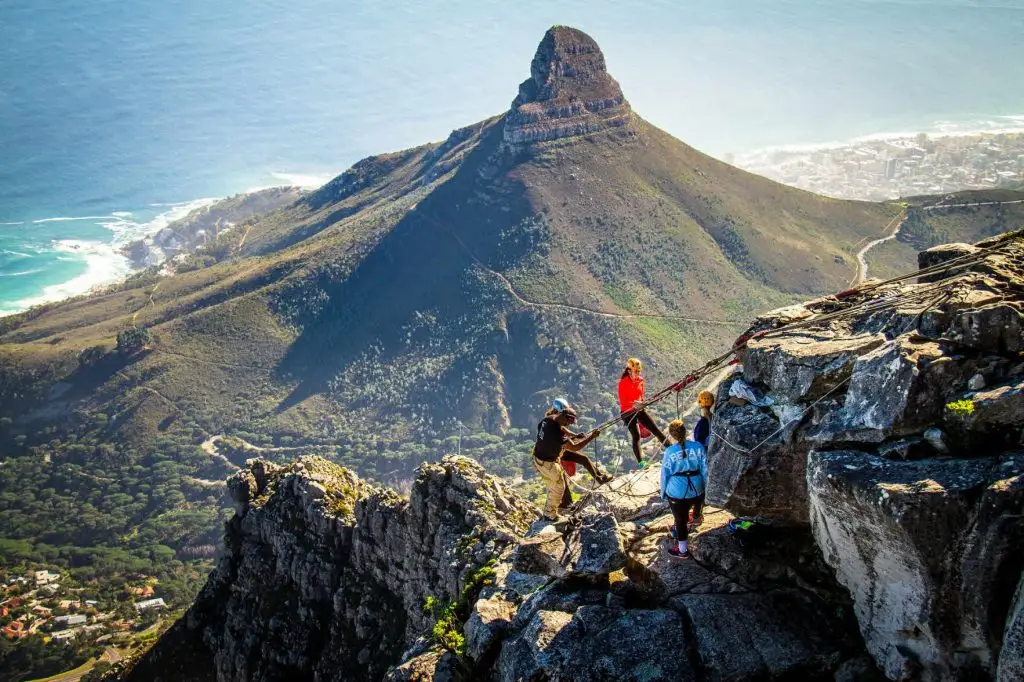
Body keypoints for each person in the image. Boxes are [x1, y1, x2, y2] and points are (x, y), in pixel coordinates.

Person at [532, 401, 609, 521]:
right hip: (547, 462)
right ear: (564, 417)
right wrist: (591, 437)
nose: (569, 424)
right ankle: (550, 514)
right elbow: (574, 447)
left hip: (543, 456)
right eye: (569, 421)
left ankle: (565, 504)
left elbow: (562, 428)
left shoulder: (549, 419)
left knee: (562, 478)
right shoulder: (556, 434)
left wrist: (574, 435)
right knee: (558, 486)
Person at [660, 419, 708, 559]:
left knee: (680, 520)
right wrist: (704, 488)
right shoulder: (698, 446)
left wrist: (663, 492)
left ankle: (682, 550)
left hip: (677, 491)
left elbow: (665, 474)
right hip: (697, 487)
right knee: (696, 498)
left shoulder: (670, 451)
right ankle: (697, 515)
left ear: (672, 435)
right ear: (685, 432)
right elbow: (705, 468)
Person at [617, 358, 669, 466]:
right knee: (636, 436)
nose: (637, 373)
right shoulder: (623, 383)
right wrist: (634, 404)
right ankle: (641, 462)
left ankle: (673, 448)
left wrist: (642, 403)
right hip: (627, 412)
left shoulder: (640, 380)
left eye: (639, 371)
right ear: (629, 371)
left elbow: (641, 396)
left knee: (656, 430)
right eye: (635, 371)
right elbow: (623, 401)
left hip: (639, 409)